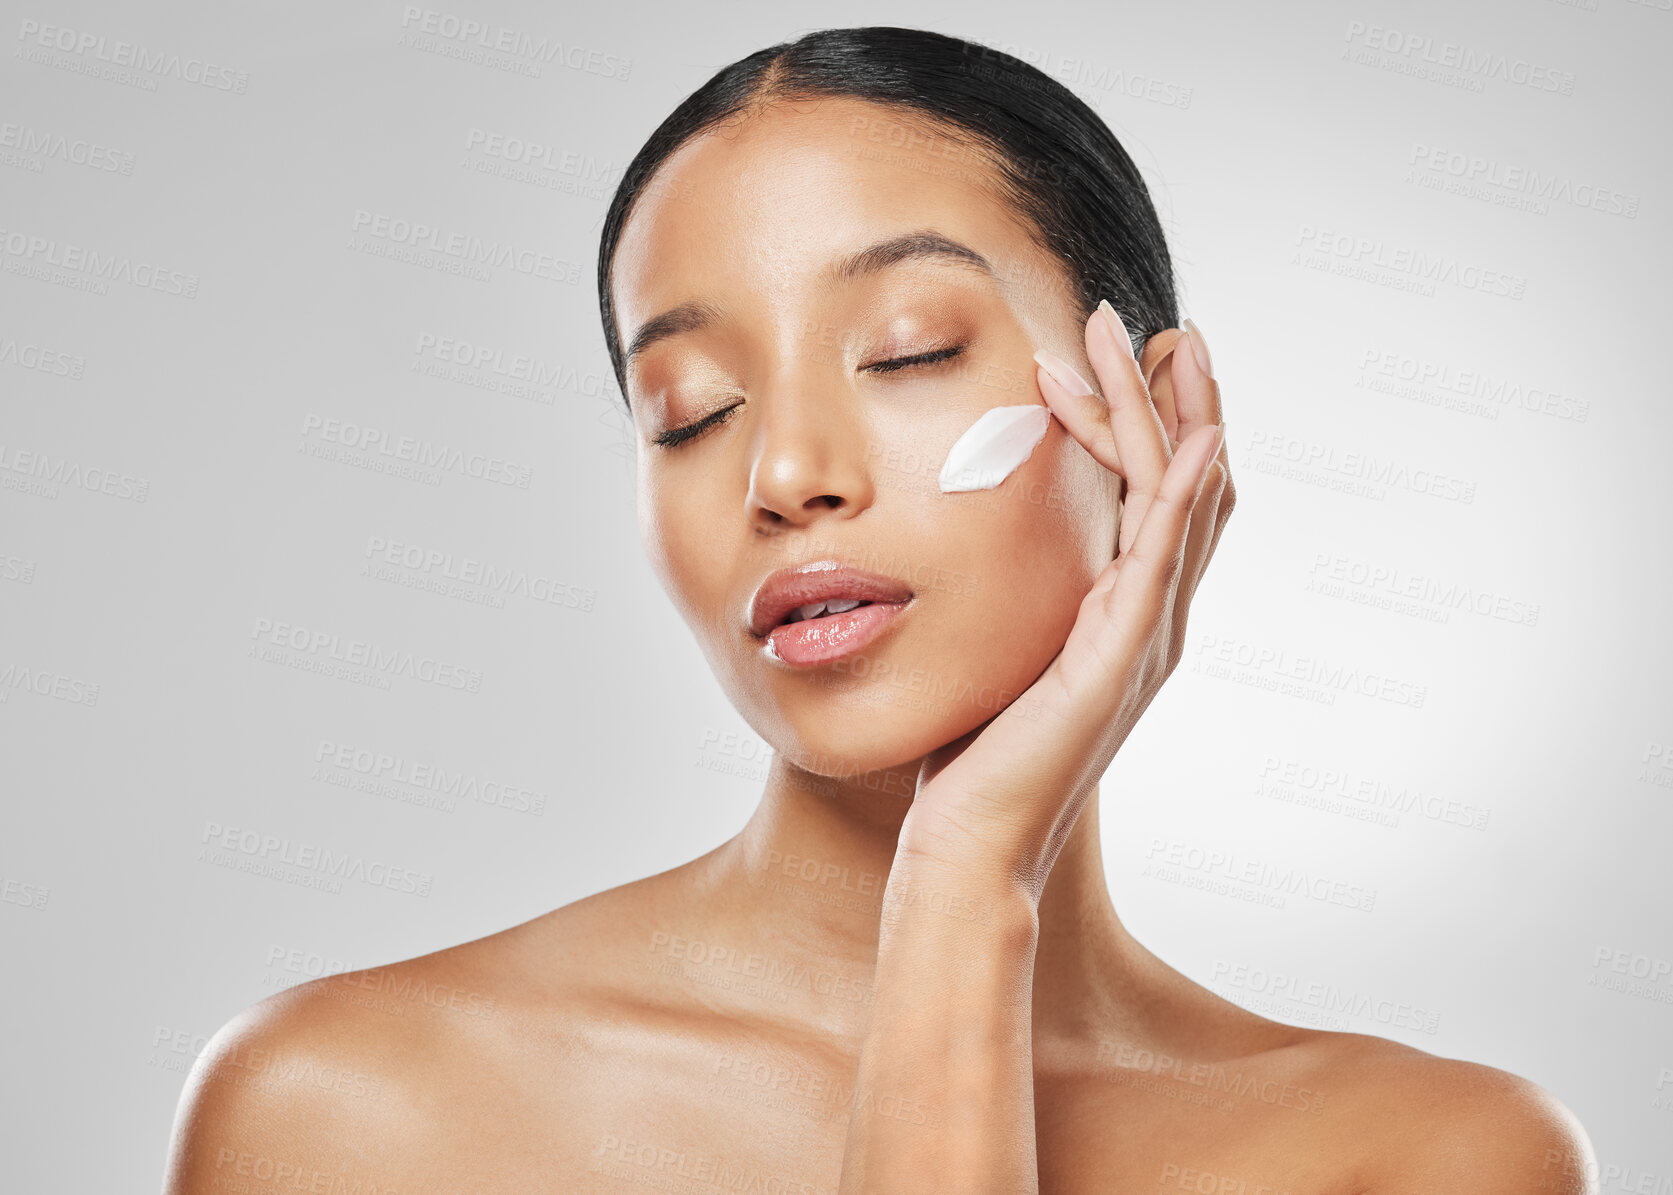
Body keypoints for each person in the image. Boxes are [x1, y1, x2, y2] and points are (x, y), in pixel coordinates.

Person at [162, 26, 1597, 1193]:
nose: (784, 475)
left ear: (1147, 424)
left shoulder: (1428, 1159)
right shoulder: (348, 1111)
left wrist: (964, 884)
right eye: (688, 412)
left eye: (907, 352)